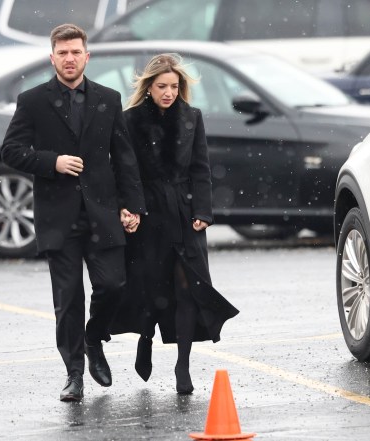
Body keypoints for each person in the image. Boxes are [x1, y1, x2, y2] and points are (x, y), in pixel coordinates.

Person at [0, 24, 145, 402]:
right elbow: (11, 150)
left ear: (86, 56)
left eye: (75, 52)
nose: (69, 59)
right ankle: (74, 374)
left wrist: (132, 205)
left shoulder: (108, 99)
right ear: (52, 57)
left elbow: (125, 158)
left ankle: (94, 338)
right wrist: (53, 162)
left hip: (103, 212)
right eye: (62, 53)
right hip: (58, 217)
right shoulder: (32, 100)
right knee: (68, 300)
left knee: (114, 285)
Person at [109, 53, 239, 394]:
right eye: (162, 86)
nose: (169, 92)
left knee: (187, 289)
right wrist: (129, 208)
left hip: (184, 213)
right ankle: (147, 337)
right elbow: (126, 171)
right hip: (148, 212)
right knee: (153, 286)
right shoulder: (129, 120)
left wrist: (204, 212)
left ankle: (183, 365)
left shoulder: (191, 118)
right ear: (148, 87)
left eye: (174, 86)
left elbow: (201, 169)